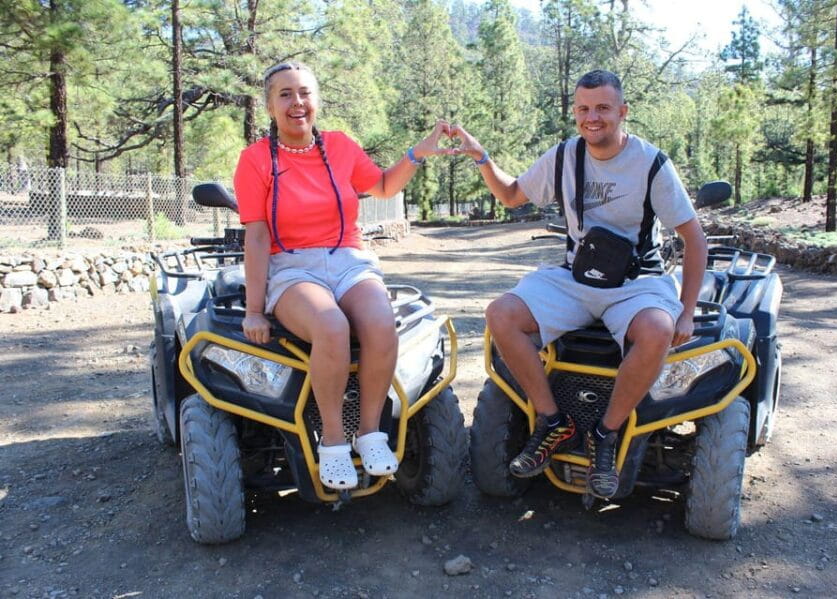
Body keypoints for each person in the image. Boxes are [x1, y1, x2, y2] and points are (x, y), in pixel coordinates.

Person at [451, 69, 707, 498]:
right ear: (574, 112)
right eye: (583, 109)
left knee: (659, 330)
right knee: (501, 314)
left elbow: (694, 238)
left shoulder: (651, 163)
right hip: (575, 278)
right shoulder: (564, 156)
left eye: (603, 108)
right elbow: (512, 195)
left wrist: (688, 310)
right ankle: (553, 422)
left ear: (623, 112)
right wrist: (481, 157)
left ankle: (606, 434)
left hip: (636, 284)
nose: (593, 117)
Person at [233, 62, 451, 491]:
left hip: (348, 259)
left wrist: (417, 153)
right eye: (285, 94)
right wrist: (254, 311)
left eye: (305, 92)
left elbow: (383, 186)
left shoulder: (340, 146)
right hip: (292, 266)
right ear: (270, 105)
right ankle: (333, 441)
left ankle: (370, 433)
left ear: (316, 99)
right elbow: (256, 236)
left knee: (381, 321)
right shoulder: (255, 160)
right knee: (331, 325)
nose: (297, 102)